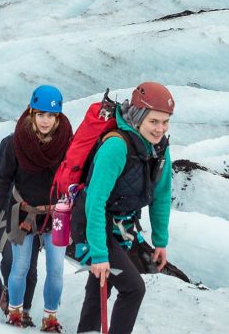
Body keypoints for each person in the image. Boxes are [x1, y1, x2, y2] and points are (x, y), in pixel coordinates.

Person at [75, 82, 174, 334]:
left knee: (101, 285)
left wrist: (160, 240)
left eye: (165, 122)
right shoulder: (116, 146)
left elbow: (161, 195)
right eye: (154, 121)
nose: (160, 129)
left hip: (122, 224)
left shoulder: (160, 149)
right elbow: (94, 202)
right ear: (139, 117)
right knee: (133, 289)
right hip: (92, 222)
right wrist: (98, 253)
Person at [0, 85, 73, 332]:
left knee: (56, 270)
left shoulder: (67, 144)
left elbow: (78, 178)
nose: (46, 120)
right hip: (23, 213)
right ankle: (15, 314)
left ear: (58, 117)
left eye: (51, 115)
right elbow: (0, 179)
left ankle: (50, 319)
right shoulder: (15, 143)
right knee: (19, 267)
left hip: (56, 215)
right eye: (41, 114)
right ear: (32, 112)